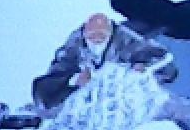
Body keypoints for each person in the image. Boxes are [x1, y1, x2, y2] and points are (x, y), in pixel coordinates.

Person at [32, 13, 181, 116]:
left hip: (124, 92)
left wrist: (143, 67)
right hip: (90, 91)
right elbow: (59, 67)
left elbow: (167, 66)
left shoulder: (128, 40)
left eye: (101, 36)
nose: (96, 40)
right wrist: (75, 79)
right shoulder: (76, 43)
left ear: (110, 34)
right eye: (92, 36)